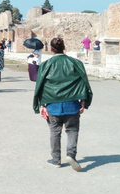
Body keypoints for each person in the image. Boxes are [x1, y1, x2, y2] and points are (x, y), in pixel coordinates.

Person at [33, 37, 93, 171]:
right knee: (72, 130)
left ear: (51, 49)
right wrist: (84, 100)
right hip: (72, 104)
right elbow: (83, 82)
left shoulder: (46, 65)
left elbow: (41, 85)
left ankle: (56, 159)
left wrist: (41, 104)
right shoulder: (76, 63)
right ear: (64, 47)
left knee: (55, 131)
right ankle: (71, 155)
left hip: (53, 105)